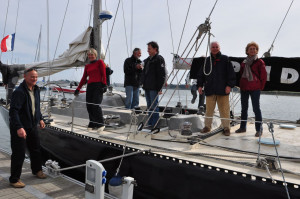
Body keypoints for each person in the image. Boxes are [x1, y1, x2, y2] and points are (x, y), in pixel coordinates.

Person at [9, 68, 46, 188]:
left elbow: (37, 107)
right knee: (19, 153)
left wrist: (40, 119)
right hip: (20, 127)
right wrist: (19, 127)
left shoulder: (36, 89)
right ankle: (14, 179)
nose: (34, 79)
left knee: (36, 149)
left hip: (32, 126)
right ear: (25, 77)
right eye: (32, 77)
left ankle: (37, 170)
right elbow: (13, 112)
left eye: (36, 77)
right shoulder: (19, 92)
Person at [197, 41, 236, 136]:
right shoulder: (207, 60)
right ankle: (207, 127)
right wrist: (199, 85)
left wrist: (229, 85)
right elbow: (201, 74)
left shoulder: (225, 59)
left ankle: (226, 128)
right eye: (213, 47)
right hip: (210, 89)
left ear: (219, 48)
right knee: (209, 110)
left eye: (216, 47)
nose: (215, 48)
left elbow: (231, 74)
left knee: (224, 110)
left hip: (223, 89)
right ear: (210, 49)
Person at [235, 42, 267, 137]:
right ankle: (243, 127)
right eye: (250, 49)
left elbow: (263, 76)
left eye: (254, 49)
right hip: (244, 87)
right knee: (244, 109)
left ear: (257, 51)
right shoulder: (244, 63)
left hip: (255, 88)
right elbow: (241, 74)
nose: (252, 50)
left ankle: (258, 129)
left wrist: (260, 87)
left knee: (256, 109)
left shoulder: (260, 62)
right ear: (247, 51)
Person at [74, 48, 107, 132]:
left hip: (98, 85)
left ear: (95, 55)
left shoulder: (100, 62)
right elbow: (84, 78)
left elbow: (104, 74)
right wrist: (78, 88)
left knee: (96, 105)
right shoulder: (87, 66)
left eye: (92, 54)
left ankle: (101, 124)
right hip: (90, 86)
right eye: (89, 55)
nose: (90, 56)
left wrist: (104, 85)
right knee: (89, 106)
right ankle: (92, 123)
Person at [142, 41, 166, 128]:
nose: (147, 50)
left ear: (155, 49)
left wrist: (160, 88)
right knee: (149, 106)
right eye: (147, 49)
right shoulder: (147, 60)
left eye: (149, 49)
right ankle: (150, 123)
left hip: (154, 87)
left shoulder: (159, 59)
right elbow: (144, 73)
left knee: (154, 106)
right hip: (147, 86)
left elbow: (162, 74)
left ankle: (154, 124)